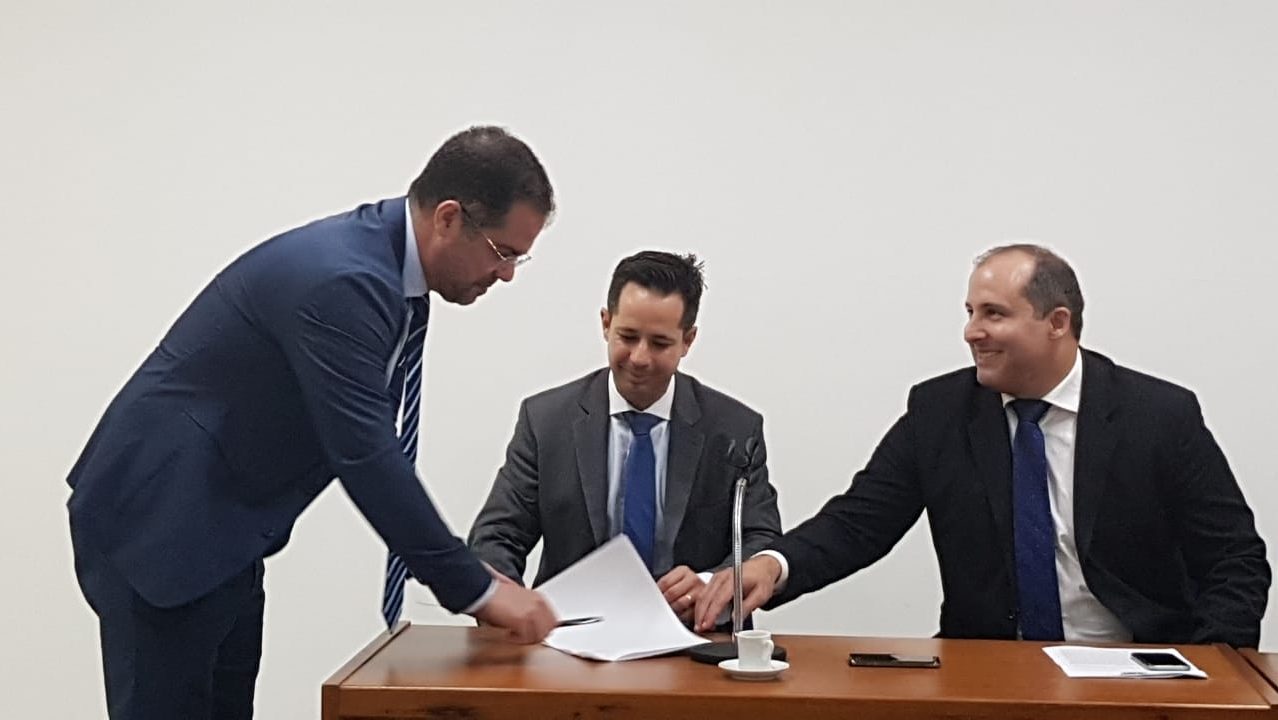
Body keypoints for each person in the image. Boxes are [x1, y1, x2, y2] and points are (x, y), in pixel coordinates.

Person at [66, 126, 560, 720]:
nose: (506, 275)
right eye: (503, 252)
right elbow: (366, 454)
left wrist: (473, 578)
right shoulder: (344, 281)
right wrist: (475, 589)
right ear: (448, 218)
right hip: (160, 525)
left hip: (225, 534)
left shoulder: (388, 276)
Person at [696, 244, 1270, 647]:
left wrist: (1215, 666)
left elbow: (1234, 559)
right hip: (990, 669)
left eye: (994, 314)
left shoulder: (1158, 416)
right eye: (970, 312)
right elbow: (858, 523)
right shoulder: (940, 412)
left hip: (1134, 667)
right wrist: (773, 565)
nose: (972, 331)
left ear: (1057, 322)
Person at [468, 251, 782, 623]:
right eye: (628, 337)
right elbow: (497, 536)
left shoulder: (735, 429)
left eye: (660, 343)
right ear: (606, 323)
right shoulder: (546, 421)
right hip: (571, 636)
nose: (639, 358)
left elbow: (761, 540)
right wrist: (509, 608)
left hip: (694, 633)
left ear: (688, 340)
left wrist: (710, 583)